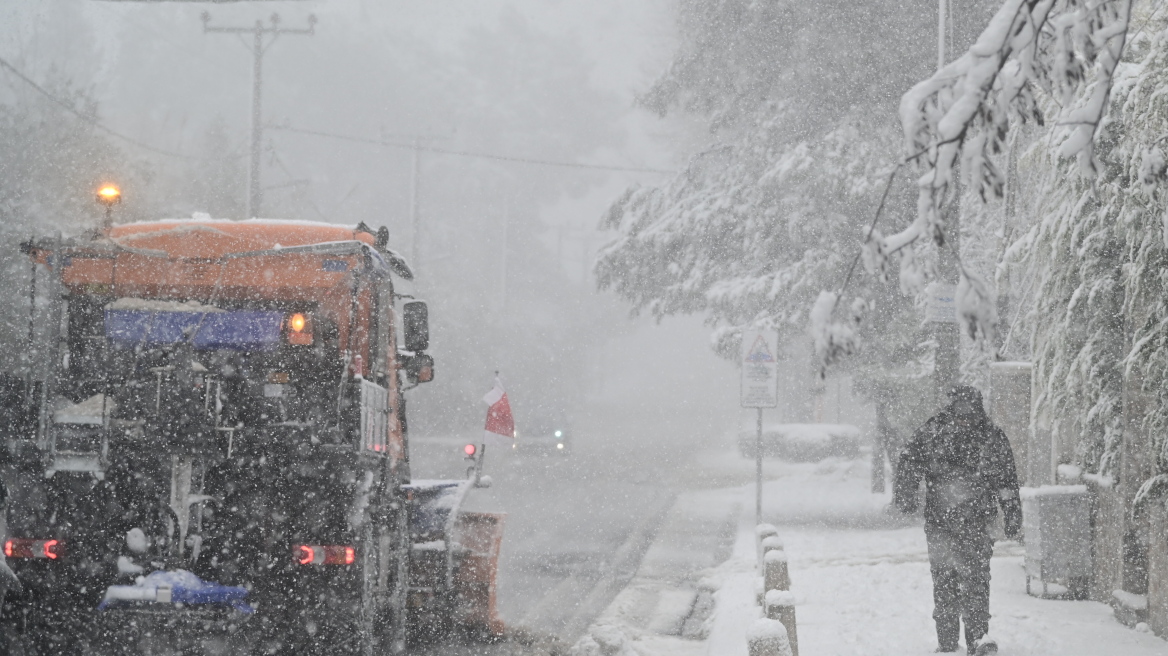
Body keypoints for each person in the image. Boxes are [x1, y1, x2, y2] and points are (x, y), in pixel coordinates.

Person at [894, 385, 1022, 656]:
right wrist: (906, 494)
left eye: (969, 409)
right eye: (960, 408)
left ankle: (977, 638)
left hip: (977, 523)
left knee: (975, 579)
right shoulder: (936, 431)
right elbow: (909, 461)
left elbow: (1006, 480)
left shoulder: (989, 436)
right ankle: (949, 640)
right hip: (943, 523)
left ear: (977, 407)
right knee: (945, 580)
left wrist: (1012, 512)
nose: (964, 414)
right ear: (952, 405)